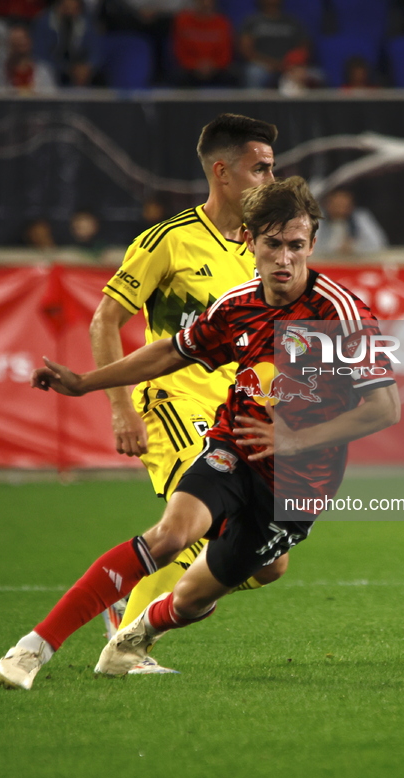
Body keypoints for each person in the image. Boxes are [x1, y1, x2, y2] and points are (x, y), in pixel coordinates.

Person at [0, 176, 400, 690]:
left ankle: (138, 634)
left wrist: (294, 441)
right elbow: (170, 351)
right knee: (169, 536)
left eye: (296, 245)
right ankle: (32, 648)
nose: (283, 258)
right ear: (250, 241)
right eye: (272, 244)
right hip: (235, 447)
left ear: (312, 245)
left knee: (192, 598)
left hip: (298, 484)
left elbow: (385, 407)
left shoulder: (342, 313)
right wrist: (84, 383)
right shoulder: (238, 305)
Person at [88, 113, 279, 674]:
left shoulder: (259, 250)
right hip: (173, 404)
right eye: (259, 168)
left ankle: (145, 590)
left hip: (234, 414)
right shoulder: (168, 241)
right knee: (198, 529)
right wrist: (122, 408)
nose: (270, 179)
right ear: (223, 172)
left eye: (272, 168)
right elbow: (104, 322)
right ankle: (127, 646)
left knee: (269, 561)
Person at [238, 0, 309, 89]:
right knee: (254, 73)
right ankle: (255, 102)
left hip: (290, 65)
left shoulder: (292, 22)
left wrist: (292, 64)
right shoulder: (252, 22)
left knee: (315, 75)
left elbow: (303, 47)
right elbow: (246, 50)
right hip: (262, 65)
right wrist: (270, 64)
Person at [170, 0, 235, 88]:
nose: (205, 5)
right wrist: (195, 65)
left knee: (232, 77)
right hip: (190, 69)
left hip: (216, 69)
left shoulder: (222, 23)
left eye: (209, 2)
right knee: (178, 77)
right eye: (202, 2)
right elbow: (179, 51)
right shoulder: (183, 21)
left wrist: (213, 65)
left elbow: (226, 53)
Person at [313, 188, 388, 256]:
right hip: (325, 263)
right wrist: (335, 248)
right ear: (328, 204)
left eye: (344, 205)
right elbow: (310, 246)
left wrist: (354, 247)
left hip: (355, 263)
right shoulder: (317, 219)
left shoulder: (360, 218)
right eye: (337, 205)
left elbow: (379, 243)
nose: (341, 210)